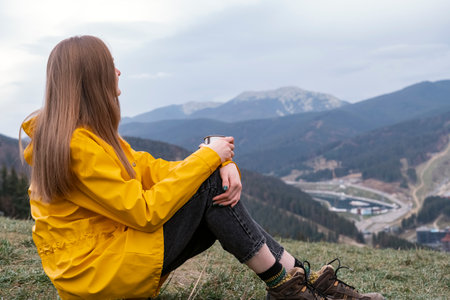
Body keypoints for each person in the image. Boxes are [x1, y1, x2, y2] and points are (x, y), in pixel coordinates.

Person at [20, 35, 384, 300]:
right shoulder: (77, 147)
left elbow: (157, 169)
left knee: (210, 183)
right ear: (93, 79)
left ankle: (296, 281)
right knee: (210, 187)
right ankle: (291, 285)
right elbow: (144, 212)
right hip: (100, 275)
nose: (118, 70)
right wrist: (212, 159)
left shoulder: (83, 137)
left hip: (98, 269)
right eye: (109, 65)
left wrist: (220, 159)